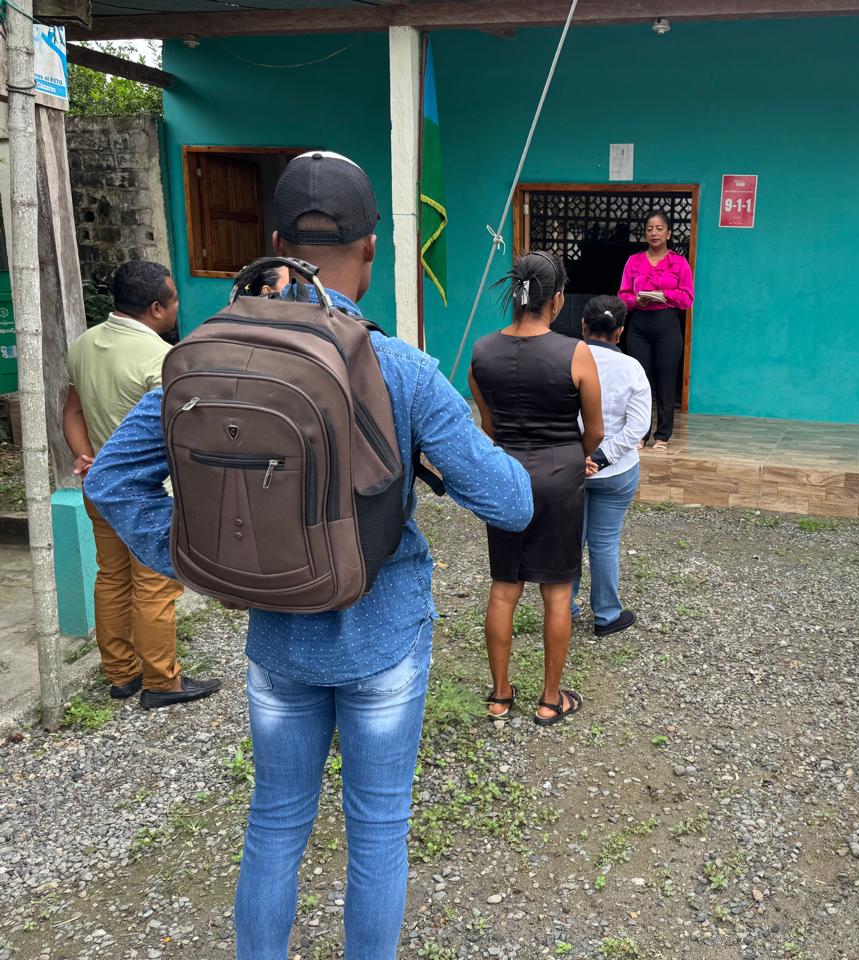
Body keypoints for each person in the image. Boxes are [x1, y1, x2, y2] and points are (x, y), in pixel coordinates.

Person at [84, 151, 534, 960]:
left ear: (276, 245)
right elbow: (511, 502)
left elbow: (113, 480)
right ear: (371, 249)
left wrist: (198, 558)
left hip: (277, 641)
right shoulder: (399, 368)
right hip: (384, 637)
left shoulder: (213, 353)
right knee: (379, 830)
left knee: (274, 823)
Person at [62, 261, 222, 709]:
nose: (177, 308)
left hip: (99, 485)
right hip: (148, 495)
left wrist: (86, 457)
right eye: (174, 301)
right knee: (154, 584)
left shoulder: (83, 345)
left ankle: (121, 674)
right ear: (156, 308)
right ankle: (163, 681)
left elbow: (71, 410)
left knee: (112, 577)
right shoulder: (163, 358)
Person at [470, 252, 605, 726]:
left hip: (506, 473)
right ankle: (550, 699)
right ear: (558, 299)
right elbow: (595, 430)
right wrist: (572, 455)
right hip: (560, 477)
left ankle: (500, 695)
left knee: (504, 587)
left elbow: (488, 426)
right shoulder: (576, 352)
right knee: (557, 590)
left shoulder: (482, 352)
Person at [573, 295, 652, 638]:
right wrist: (602, 457)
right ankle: (606, 616)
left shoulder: (566, 360)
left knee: (570, 540)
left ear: (583, 325)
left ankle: (563, 608)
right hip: (616, 472)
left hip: (570, 468)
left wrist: (580, 456)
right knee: (604, 542)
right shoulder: (632, 368)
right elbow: (638, 427)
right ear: (621, 331)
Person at [617, 210, 694, 453]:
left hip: (667, 326)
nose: (654, 233)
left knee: (665, 381)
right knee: (640, 382)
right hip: (639, 327)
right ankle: (640, 434)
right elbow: (622, 295)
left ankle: (663, 435)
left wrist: (664, 295)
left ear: (668, 233)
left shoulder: (679, 263)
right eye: (650, 228)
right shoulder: (633, 261)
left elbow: (687, 298)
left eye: (659, 228)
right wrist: (635, 300)